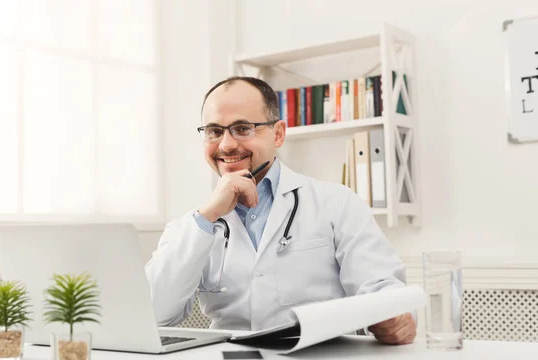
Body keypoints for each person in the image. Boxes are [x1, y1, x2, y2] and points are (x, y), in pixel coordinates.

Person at [146, 76, 416, 345]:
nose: (226, 144)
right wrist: (206, 217)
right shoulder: (191, 227)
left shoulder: (337, 203)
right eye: (214, 131)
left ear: (278, 134)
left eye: (242, 128)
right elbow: (152, 315)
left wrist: (395, 316)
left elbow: (385, 291)